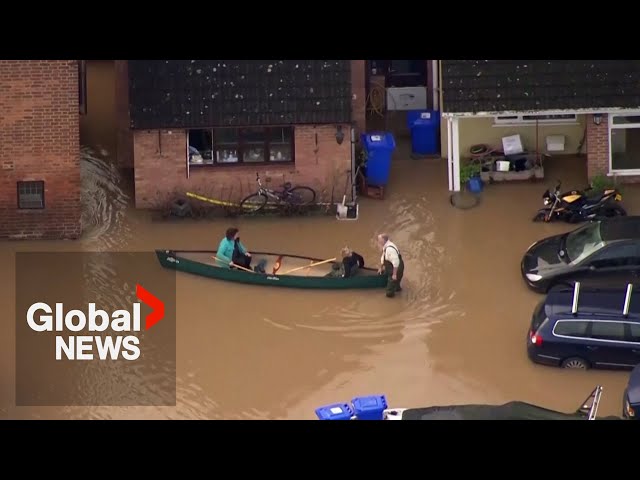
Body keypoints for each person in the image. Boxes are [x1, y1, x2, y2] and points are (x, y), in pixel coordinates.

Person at [377, 233, 404, 298]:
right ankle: (397, 289)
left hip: (396, 268)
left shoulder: (390, 249)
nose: (378, 241)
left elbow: (396, 262)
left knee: (389, 293)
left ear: (383, 240)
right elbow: (383, 257)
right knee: (395, 284)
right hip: (390, 266)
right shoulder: (386, 246)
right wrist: (381, 267)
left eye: (379, 240)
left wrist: (394, 274)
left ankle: (394, 295)